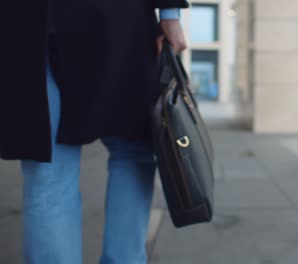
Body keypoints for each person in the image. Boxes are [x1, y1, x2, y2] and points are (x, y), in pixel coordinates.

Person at [0, 0, 189, 263]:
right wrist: (170, 14)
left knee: (50, 172)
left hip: (34, 20)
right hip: (113, 17)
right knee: (131, 152)